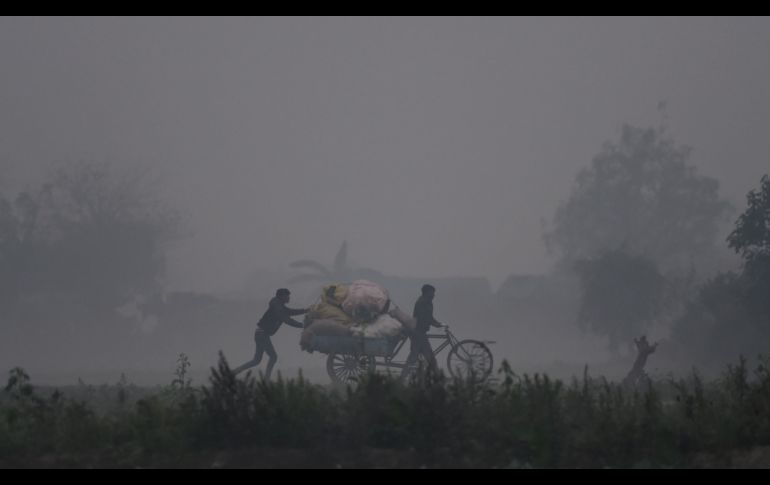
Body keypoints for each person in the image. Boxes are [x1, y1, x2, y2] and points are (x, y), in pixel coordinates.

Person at [233, 288, 308, 378]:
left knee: (256, 360)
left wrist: (305, 310)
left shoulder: (279, 306)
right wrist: (302, 325)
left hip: (260, 333)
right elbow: (287, 320)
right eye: (287, 296)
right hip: (262, 334)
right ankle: (266, 380)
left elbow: (290, 312)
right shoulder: (278, 308)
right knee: (273, 357)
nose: (289, 298)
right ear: (281, 296)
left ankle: (234, 372)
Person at [400, 284, 444, 380]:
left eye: (434, 293)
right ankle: (402, 378)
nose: (433, 295)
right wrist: (435, 324)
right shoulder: (421, 303)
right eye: (432, 293)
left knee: (417, 356)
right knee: (420, 357)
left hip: (421, 333)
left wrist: (437, 323)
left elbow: (430, 317)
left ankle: (402, 377)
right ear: (426, 293)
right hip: (417, 333)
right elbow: (424, 318)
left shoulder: (428, 302)